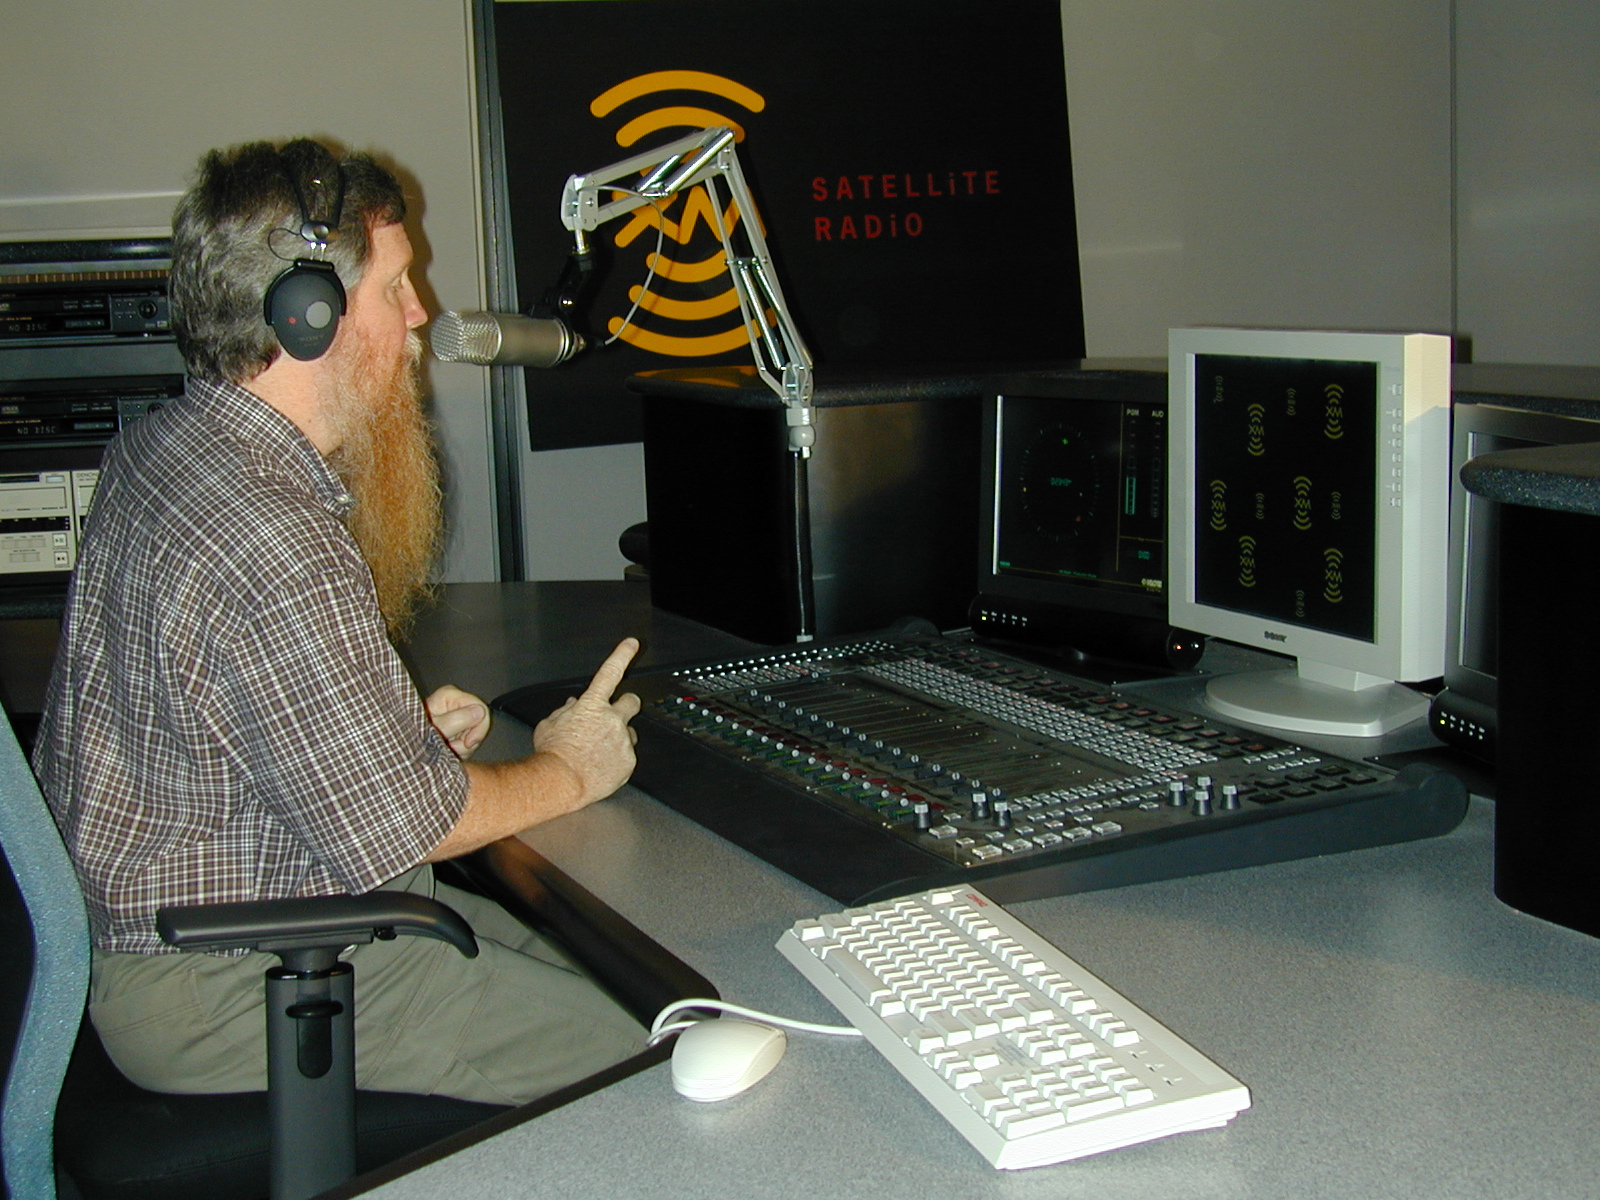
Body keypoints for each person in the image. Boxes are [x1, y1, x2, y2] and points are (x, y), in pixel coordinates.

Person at [32, 137, 647, 1106]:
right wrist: (573, 765)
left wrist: (376, 736)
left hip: (202, 931)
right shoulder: (267, 526)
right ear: (305, 314)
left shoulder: (167, 445)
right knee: (669, 1057)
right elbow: (424, 823)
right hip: (246, 979)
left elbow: (205, 706)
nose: (421, 318)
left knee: (651, 985)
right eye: (398, 286)